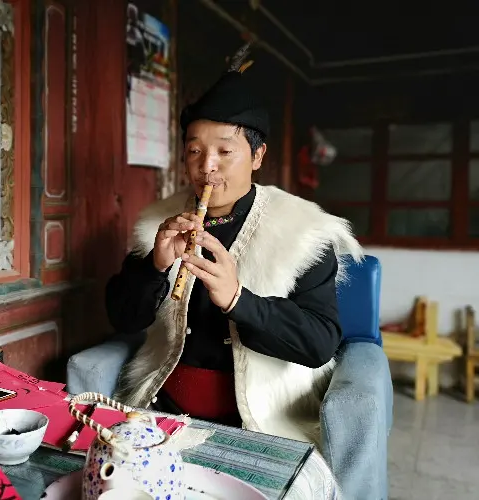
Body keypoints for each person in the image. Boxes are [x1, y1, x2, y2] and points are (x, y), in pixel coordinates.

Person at [105, 44, 361, 498]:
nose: (208, 168)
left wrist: (239, 300)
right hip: (165, 409)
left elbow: (320, 342)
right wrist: (154, 266)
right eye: (195, 152)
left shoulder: (303, 231)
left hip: (261, 423)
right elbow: (124, 319)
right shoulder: (157, 223)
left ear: (257, 156)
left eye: (225, 151)